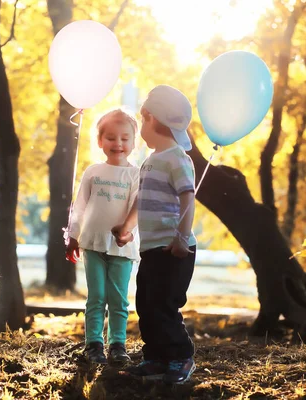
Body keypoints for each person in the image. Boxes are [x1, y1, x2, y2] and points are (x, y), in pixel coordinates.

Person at [113, 85, 197, 384]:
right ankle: (155, 357)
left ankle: (180, 357)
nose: (141, 128)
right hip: (152, 248)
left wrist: (181, 237)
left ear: (152, 119)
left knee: (163, 303)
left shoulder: (177, 158)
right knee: (146, 302)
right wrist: (127, 227)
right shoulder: (151, 160)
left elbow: (188, 198)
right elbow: (142, 200)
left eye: (143, 120)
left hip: (174, 248)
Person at [65, 108, 140, 366]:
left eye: (124, 138)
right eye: (110, 137)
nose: (117, 143)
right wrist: (73, 236)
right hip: (93, 244)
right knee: (96, 296)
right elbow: (81, 206)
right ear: (99, 141)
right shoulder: (93, 172)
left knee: (118, 299)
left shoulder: (135, 175)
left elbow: (136, 209)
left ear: (133, 141)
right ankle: (93, 344)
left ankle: (118, 344)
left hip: (122, 248)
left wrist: (127, 234)